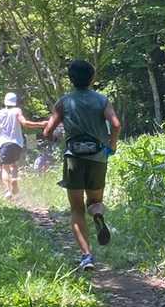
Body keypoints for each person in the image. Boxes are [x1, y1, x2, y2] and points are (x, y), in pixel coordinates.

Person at [40, 60, 120, 271]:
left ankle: (87, 256)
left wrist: (55, 139)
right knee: (94, 201)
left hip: (73, 158)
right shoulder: (102, 100)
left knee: (76, 209)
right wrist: (111, 146)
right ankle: (97, 214)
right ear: (92, 78)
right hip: (98, 158)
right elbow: (116, 124)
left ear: (71, 79)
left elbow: (47, 132)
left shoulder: (64, 102)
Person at [0, 92, 45, 200]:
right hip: (17, 143)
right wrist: (41, 124)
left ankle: (8, 191)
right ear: (15, 102)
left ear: (5, 101)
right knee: (14, 165)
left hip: (4, 143)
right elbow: (25, 123)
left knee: (5, 168)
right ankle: (14, 179)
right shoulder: (17, 111)